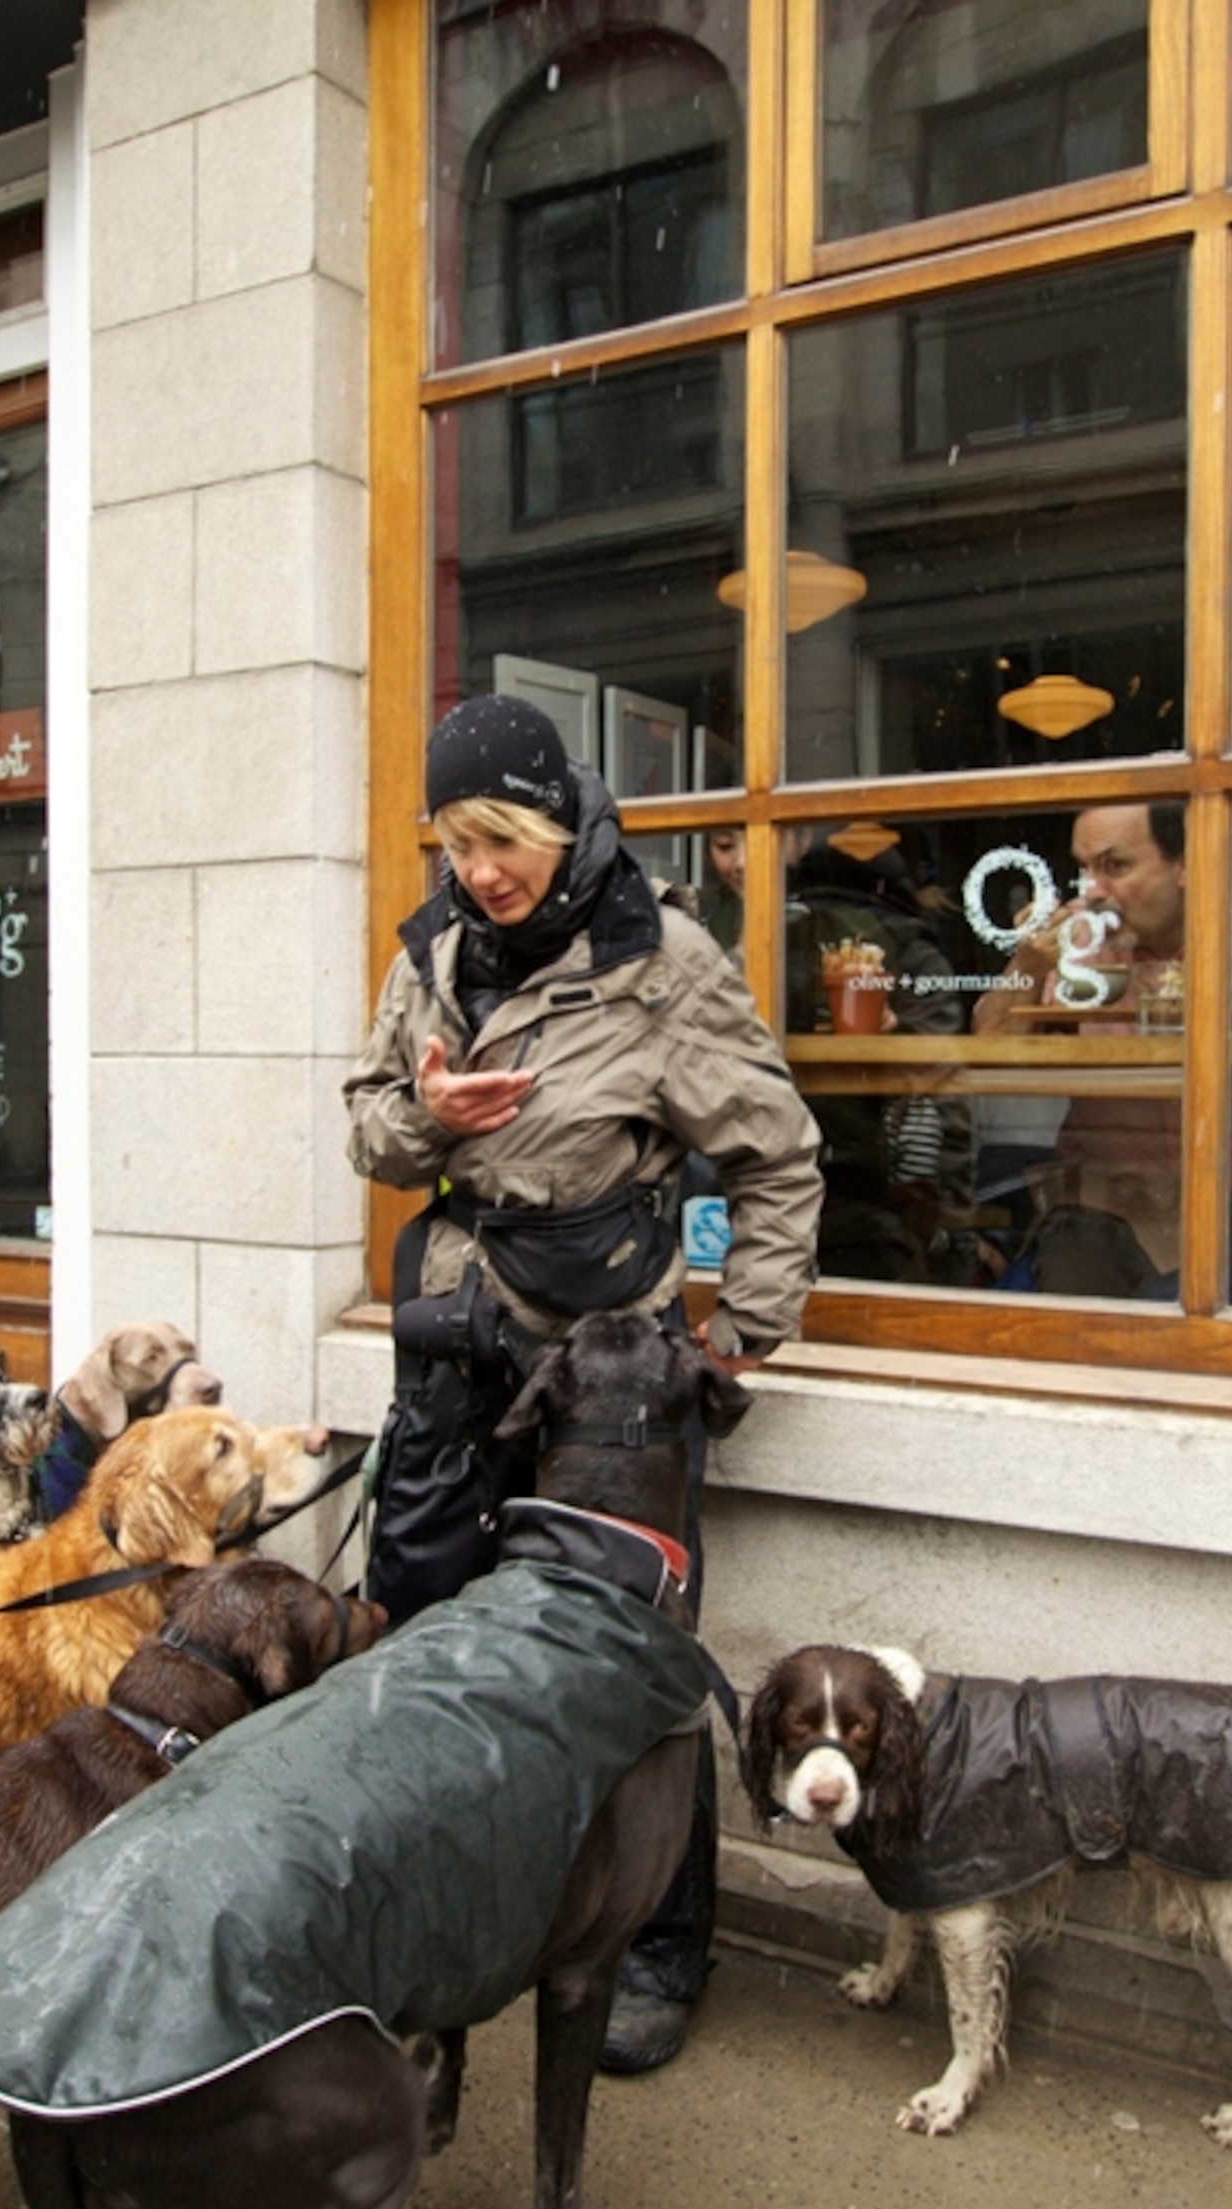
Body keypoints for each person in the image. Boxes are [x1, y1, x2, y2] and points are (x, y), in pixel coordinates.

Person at [344, 695, 823, 2075]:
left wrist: (744, 1331)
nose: (480, 871)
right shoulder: (432, 948)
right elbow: (367, 1121)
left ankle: (658, 1947)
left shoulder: (660, 956)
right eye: (456, 844)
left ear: (559, 814)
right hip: (455, 1342)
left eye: (502, 839)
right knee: (431, 1638)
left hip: (610, 1367)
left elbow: (778, 1153)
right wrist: (425, 1118)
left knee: (630, 1665)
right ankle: (446, 1925)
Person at [971, 802, 1232, 1312]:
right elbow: (988, 1045)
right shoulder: (1084, 940)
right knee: (1073, 1336)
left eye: (1114, 866)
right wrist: (1029, 961)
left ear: (1188, 861)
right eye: (1084, 869)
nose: (1091, 890)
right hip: (1104, 1208)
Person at [702, 826, 982, 1287]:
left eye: (755, 841)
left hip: (862, 1191)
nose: (741, 863)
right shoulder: (704, 928)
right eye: (724, 843)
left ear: (797, 842)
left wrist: (951, 1224)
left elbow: (942, 1090)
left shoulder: (900, 951)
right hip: (731, 1182)